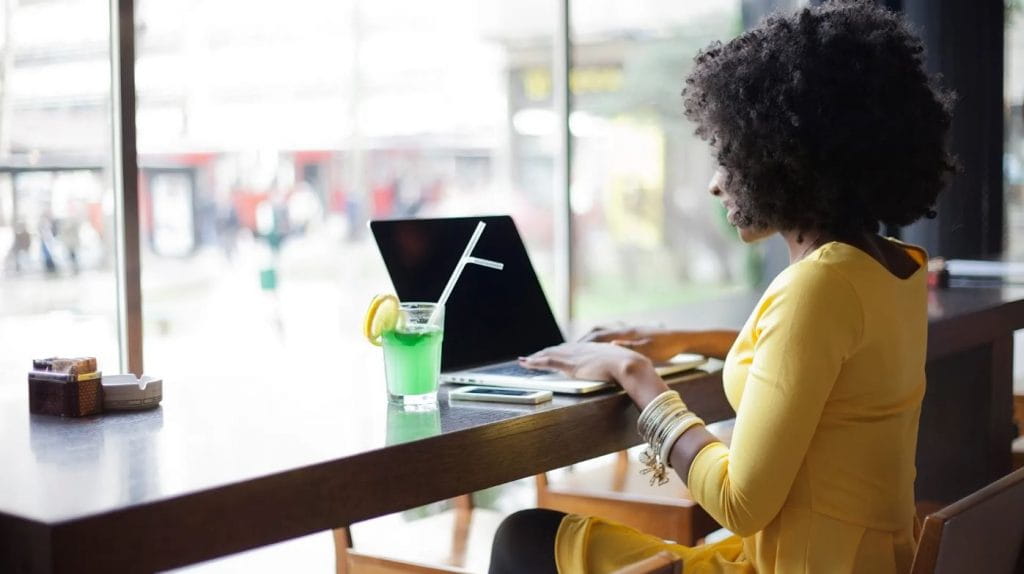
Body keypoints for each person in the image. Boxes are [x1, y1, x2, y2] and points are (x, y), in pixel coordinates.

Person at [488, 2, 954, 573]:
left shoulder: (818, 287)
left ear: (788, 160)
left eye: (728, 157)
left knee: (523, 539)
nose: (715, 184)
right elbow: (826, 361)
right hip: (865, 562)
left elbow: (739, 502)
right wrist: (684, 337)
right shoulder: (898, 267)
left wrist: (634, 375)